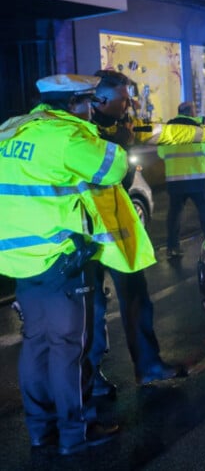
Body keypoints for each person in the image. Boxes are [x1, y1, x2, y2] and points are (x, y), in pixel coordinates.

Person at [0, 74, 153, 455]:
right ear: (74, 104)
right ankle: (76, 431)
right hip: (60, 258)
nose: (94, 108)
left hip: (18, 258)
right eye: (89, 101)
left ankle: (40, 429)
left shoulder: (10, 131)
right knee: (69, 347)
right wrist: (109, 133)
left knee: (36, 345)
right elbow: (115, 168)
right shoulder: (69, 138)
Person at [88, 70, 188, 397]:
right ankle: (90, 379)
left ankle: (148, 367)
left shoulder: (125, 125)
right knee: (91, 309)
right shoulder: (82, 131)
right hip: (85, 233)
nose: (129, 104)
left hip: (116, 229)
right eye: (123, 98)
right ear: (100, 99)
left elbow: (162, 132)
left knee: (137, 301)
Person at [158, 101, 205, 260]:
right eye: (195, 110)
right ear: (190, 112)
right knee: (204, 212)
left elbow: (162, 153)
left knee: (174, 214)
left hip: (174, 179)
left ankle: (172, 247)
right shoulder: (199, 130)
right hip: (196, 178)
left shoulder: (167, 130)